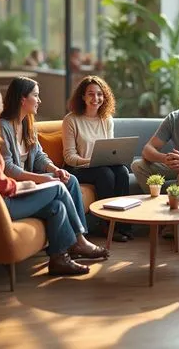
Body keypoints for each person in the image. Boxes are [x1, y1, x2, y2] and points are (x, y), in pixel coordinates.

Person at [0, 81, 109, 277]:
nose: (2, 105)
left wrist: (52, 170)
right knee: (58, 188)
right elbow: (2, 182)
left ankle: (59, 259)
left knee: (57, 206)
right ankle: (79, 241)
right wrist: (30, 184)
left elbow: (36, 158)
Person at [62, 75, 132, 243]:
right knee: (104, 174)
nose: (96, 98)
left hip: (100, 165)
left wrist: (114, 157)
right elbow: (69, 157)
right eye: (91, 94)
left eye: (100, 94)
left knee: (122, 171)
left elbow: (110, 150)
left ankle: (123, 224)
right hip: (77, 168)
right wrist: (90, 161)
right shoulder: (71, 120)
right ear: (83, 97)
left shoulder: (106, 119)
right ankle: (106, 225)